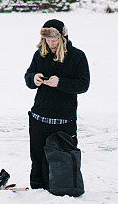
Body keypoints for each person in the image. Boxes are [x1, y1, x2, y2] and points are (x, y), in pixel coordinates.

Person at [24, 19, 90, 190]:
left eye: (55, 40)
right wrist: (34, 79)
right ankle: (37, 190)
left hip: (64, 122)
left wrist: (60, 83)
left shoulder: (77, 56)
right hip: (39, 119)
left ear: (63, 37)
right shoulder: (39, 54)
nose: (51, 44)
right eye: (48, 40)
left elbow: (83, 85)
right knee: (37, 159)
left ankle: (65, 190)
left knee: (64, 161)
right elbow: (28, 77)